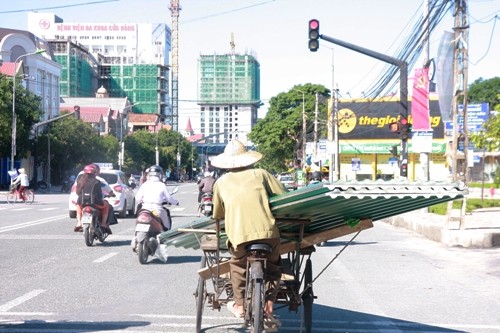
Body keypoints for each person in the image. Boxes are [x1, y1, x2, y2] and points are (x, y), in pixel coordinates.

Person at [211, 139, 286, 331]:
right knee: (274, 266)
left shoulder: (220, 182)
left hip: (239, 237)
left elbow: (217, 213)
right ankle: (269, 304)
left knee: (237, 266)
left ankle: (240, 305)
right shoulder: (261, 174)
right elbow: (284, 196)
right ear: (247, 159)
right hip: (268, 234)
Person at [134, 165, 179, 231]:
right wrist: (176, 202)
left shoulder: (145, 184)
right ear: (160, 175)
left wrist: (142, 202)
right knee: (166, 227)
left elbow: (137, 198)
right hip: (157, 209)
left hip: (145, 208)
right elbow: (169, 198)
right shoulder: (161, 185)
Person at [74, 164, 112, 233]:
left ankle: (79, 223)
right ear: (95, 172)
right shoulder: (97, 181)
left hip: (82, 202)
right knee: (106, 204)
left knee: (78, 205)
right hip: (95, 203)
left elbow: (77, 192)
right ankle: (103, 223)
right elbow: (100, 194)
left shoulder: (80, 181)